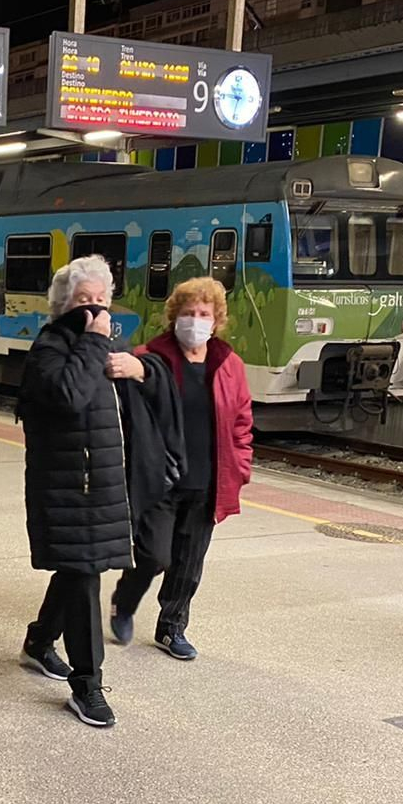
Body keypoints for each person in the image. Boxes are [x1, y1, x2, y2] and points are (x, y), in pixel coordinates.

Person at [16, 254, 148, 729]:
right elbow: (70, 397)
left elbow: (134, 409)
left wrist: (139, 370)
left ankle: (38, 642)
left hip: (103, 483)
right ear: (62, 305)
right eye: (82, 299)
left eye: (100, 299)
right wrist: (94, 344)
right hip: (67, 485)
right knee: (83, 574)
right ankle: (87, 686)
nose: (93, 307)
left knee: (77, 570)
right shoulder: (50, 348)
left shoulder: (109, 347)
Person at [109, 276, 254, 660]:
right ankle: (125, 602)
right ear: (174, 317)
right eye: (188, 313)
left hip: (208, 478)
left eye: (204, 313)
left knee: (189, 563)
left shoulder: (229, 364)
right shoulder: (150, 357)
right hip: (161, 478)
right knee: (155, 555)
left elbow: (241, 420)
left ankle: (172, 628)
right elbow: (127, 413)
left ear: (217, 319)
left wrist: (240, 467)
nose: (196, 320)